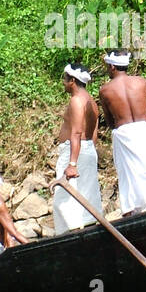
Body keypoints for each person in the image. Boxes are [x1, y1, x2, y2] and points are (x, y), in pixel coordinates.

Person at [98, 49, 146, 214]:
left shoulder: (105, 90)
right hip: (144, 129)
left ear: (112, 67)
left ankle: (134, 210)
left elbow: (110, 121)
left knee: (130, 175)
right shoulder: (141, 82)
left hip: (123, 133)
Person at [52, 63, 101, 232]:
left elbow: (76, 132)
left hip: (75, 153)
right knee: (86, 195)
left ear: (72, 80)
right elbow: (94, 131)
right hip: (86, 150)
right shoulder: (91, 101)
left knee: (64, 198)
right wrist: (89, 152)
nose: (63, 83)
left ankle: (73, 235)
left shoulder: (76, 101)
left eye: (65, 80)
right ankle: (86, 231)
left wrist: (72, 163)